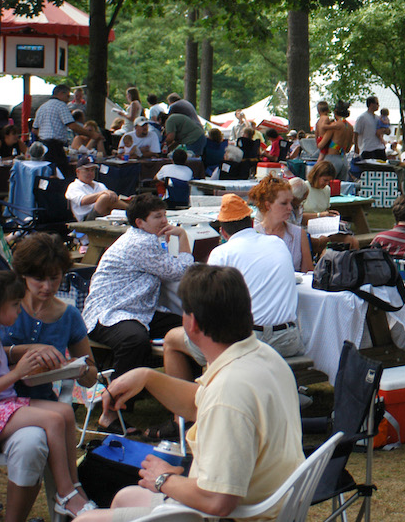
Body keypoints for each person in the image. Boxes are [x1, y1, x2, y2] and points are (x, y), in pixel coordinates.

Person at [78, 264, 303, 522]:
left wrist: (164, 478)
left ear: (192, 322)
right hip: (265, 504)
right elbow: (201, 403)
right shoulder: (262, 356)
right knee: (124, 498)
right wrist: (147, 376)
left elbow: (217, 501)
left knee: (85, 520)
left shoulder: (228, 392)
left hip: (231, 515)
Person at [158, 197, 303, 441]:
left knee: (172, 339)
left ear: (223, 231)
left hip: (249, 341)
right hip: (289, 339)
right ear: (251, 222)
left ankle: (182, 421)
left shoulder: (222, 252)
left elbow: (207, 304)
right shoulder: (277, 244)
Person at [0, 268, 98, 519]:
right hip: (2, 406)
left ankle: (74, 487)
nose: (20, 310)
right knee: (53, 419)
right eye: (14, 305)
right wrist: (18, 372)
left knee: (64, 411)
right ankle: (64, 493)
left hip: (6, 402)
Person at [82, 193, 191, 383]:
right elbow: (179, 271)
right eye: (157, 216)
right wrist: (182, 236)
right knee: (134, 340)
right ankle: (118, 401)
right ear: (140, 222)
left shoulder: (144, 238)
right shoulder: (140, 242)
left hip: (139, 309)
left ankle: (187, 388)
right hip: (110, 312)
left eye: (164, 215)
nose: (164, 220)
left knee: (189, 327)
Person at [1, 233, 99, 403]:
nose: (47, 286)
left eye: (54, 278)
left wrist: (78, 368)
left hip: (42, 401)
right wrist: (30, 349)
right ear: (24, 274)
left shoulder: (69, 316)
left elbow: (91, 378)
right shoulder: (4, 306)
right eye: (39, 279)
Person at [32, 84, 103, 174]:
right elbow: (72, 125)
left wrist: (44, 134)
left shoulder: (41, 108)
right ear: (61, 93)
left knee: (48, 173)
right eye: (67, 96)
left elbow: (34, 129)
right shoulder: (61, 106)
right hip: (55, 146)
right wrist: (91, 134)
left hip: (43, 146)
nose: (68, 99)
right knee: (62, 173)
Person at [249, 175, 313, 273]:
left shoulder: (299, 234)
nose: (290, 208)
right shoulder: (253, 235)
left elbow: (308, 274)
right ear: (268, 205)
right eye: (284, 203)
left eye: (290, 203)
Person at [66, 156, 128, 222]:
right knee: (105, 197)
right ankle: (131, 211)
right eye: (87, 170)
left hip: (106, 214)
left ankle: (132, 210)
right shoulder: (74, 186)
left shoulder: (99, 185)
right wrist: (102, 193)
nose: (90, 173)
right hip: (87, 219)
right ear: (78, 171)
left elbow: (111, 199)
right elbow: (83, 200)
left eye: (92, 170)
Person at [318, 102, 355, 180]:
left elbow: (321, 145)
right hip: (343, 159)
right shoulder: (350, 127)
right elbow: (348, 149)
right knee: (340, 188)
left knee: (327, 186)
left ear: (335, 112)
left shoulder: (334, 126)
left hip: (332, 159)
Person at [354, 96, 387, 161]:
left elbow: (385, 130)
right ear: (371, 104)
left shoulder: (378, 118)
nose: (378, 105)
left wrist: (384, 130)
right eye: (377, 103)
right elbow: (356, 133)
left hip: (379, 148)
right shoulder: (362, 118)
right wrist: (356, 147)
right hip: (367, 148)